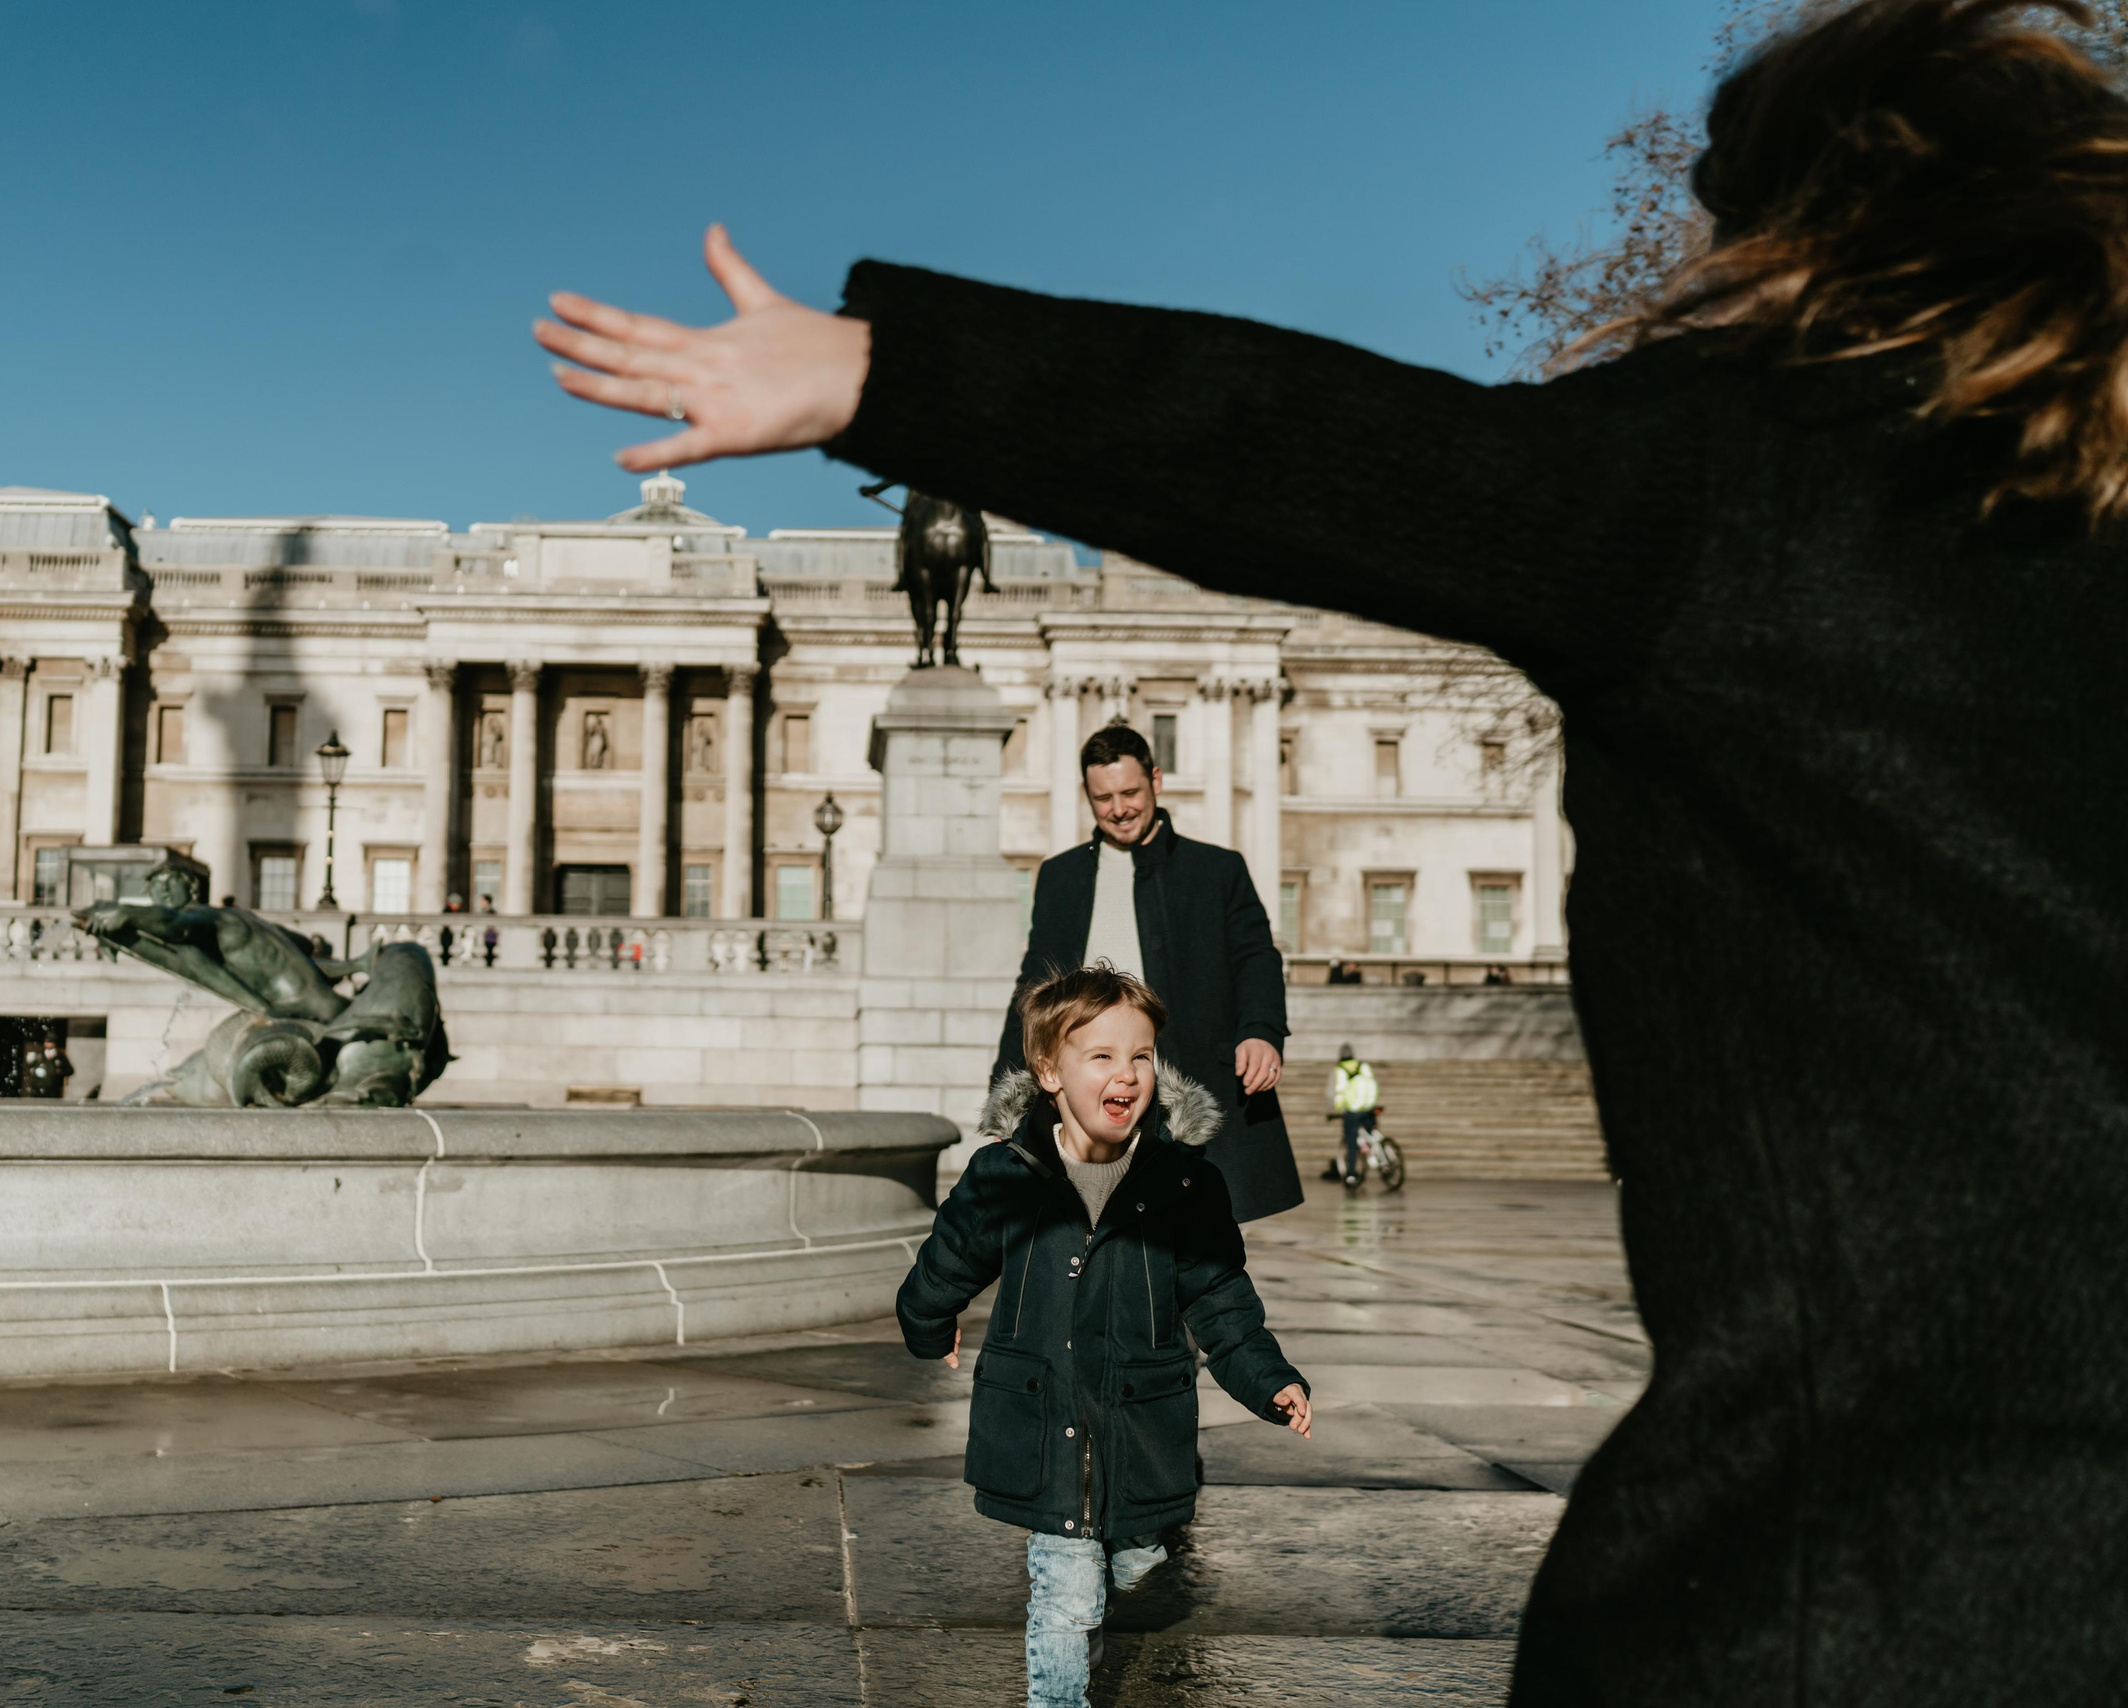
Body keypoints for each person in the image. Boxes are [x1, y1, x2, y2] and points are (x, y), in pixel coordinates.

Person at [535, 4, 2128, 1693]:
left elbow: (1301, 436)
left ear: (1811, 226)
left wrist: (886, 374)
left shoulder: (1752, 484)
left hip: (1878, 1556)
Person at [897, 965, 1310, 1708]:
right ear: (1050, 1073)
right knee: (1065, 1594)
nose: (1126, 1075)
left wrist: (1267, 1378)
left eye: (1141, 1056)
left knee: (1137, 1560)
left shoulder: (1185, 1184)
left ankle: (1131, 1544)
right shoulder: (1005, 1174)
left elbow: (1220, 1298)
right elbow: (949, 1258)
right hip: (1043, 1417)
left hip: (1141, 1417)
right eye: (1102, 1057)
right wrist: (929, 1322)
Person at [992, 723, 1301, 1219]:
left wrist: (1261, 1031)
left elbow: (1256, 956)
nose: (1119, 809)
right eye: (1104, 797)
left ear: (1156, 781)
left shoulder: (1218, 869)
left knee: (1201, 1248)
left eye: (1131, 792)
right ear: (1087, 797)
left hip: (1189, 1083)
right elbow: (1035, 988)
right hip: (1090, 1091)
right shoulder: (1061, 876)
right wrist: (1006, 1091)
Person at [1329, 1045, 1380, 1190]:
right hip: (1369, 1106)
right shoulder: (1363, 1065)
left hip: (1353, 1110)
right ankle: (1377, 1153)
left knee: (1351, 1142)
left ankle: (1351, 1173)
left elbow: (1339, 1091)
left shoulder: (1340, 1069)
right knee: (1370, 1133)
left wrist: (1337, 1110)